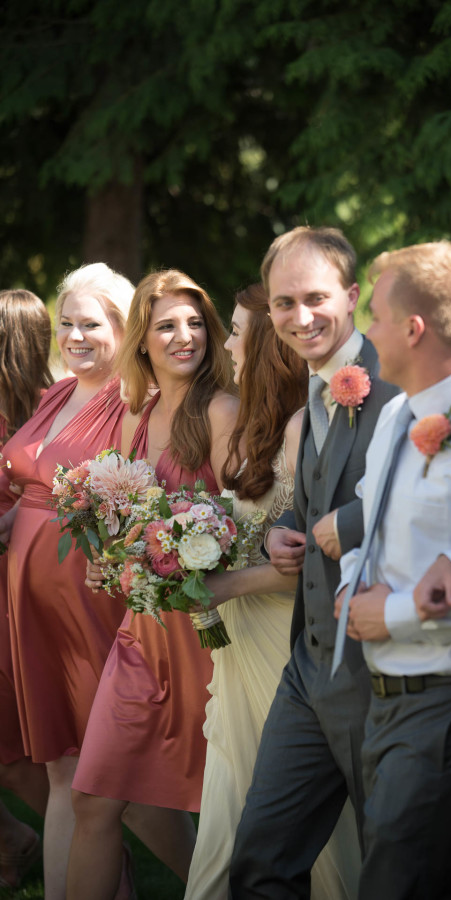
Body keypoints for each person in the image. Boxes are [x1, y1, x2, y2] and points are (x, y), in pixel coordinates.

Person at [334, 242, 451, 899]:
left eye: (374, 316)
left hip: (448, 704)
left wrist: (388, 614)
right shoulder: (394, 415)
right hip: (383, 697)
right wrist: (350, 589)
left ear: (413, 329)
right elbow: (370, 527)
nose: (364, 332)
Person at [229, 226, 397, 898]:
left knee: (403, 869)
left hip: (379, 674)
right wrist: (287, 529)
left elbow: (441, 497)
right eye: (283, 303)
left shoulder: (398, 385)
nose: (300, 318)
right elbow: (312, 496)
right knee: (261, 860)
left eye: (315, 297)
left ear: (352, 295)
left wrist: (342, 524)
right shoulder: (315, 397)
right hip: (308, 668)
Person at [68, 269, 238, 900]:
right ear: (142, 339)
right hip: (141, 631)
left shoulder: (222, 410)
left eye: (195, 323)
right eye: (167, 324)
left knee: (225, 802)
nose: (184, 336)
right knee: (100, 800)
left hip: (205, 634)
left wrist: (179, 551)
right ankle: (214, 887)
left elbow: (241, 527)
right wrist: (107, 557)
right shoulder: (134, 416)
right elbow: (124, 519)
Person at [185, 284, 358, 900]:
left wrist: (220, 582)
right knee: (231, 805)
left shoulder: (300, 427)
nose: (225, 342)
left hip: (284, 641)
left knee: (296, 822)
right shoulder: (253, 419)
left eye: (235, 330)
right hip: (240, 642)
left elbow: (308, 557)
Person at [0, 264, 134, 900]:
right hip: (31, 602)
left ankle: (222, 883)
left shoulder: (133, 399)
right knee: (62, 768)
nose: (75, 335)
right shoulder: (58, 392)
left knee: (106, 772)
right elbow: (32, 477)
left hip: (88, 597)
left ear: (123, 327)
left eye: (92, 323)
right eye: (67, 323)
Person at [0, 289, 52, 890]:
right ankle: (17, 841)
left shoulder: (53, 411)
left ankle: (94, 845)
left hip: (17, 591)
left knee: (13, 753)